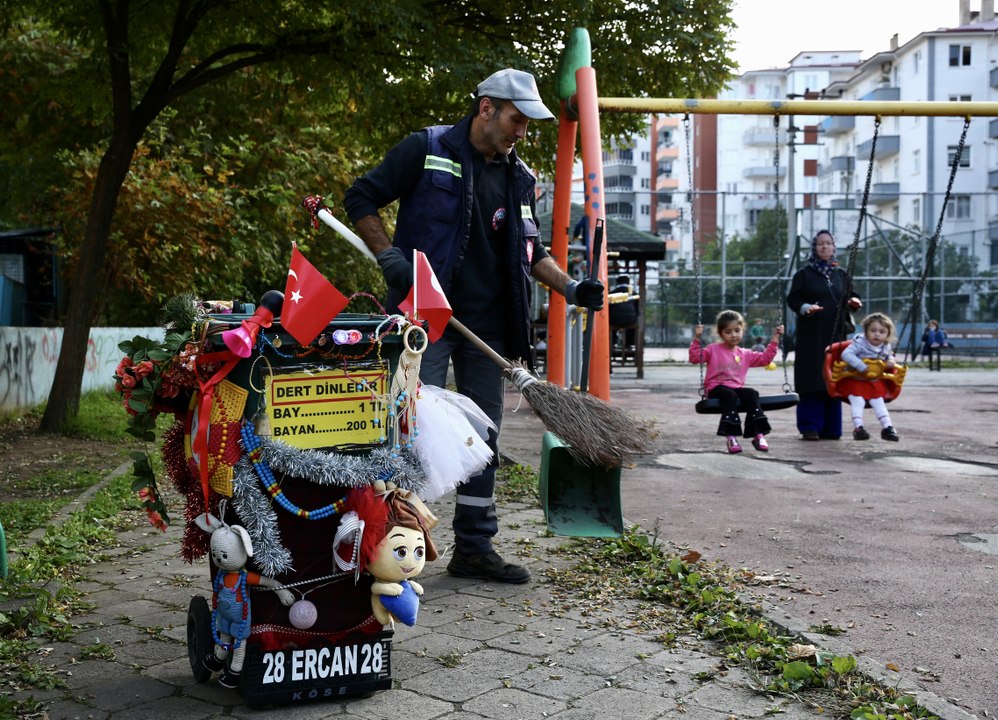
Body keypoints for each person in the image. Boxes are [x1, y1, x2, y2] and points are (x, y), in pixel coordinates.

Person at [344, 68, 604, 584]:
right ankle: (387, 545)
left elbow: (532, 253)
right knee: (409, 430)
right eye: (516, 119)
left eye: (529, 124)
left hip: (491, 328)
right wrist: (389, 256)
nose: (522, 132)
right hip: (427, 318)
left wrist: (571, 288)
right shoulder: (427, 148)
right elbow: (361, 197)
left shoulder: (521, 178)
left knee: (481, 439)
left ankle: (474, 548)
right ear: (486, 107)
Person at [786, 230, 862, 441]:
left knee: (833, 378)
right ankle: (810, 426)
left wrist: (854, 303)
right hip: (811, 336)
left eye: (828, 244)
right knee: (812, 378)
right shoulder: (804, 274)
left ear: (834, 247)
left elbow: (852, 295)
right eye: (820, 244)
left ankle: (831, 427)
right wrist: (806, 307)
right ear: (814, 248)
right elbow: (793, 299)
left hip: (835, 335)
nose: (825, 247)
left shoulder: (841, 274)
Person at [689, 310, 784, 454]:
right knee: (729, 395)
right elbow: (695, 358)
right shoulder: (713, 349)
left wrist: (775, 339)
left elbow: (765, 359)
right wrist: (697, 338)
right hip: (716, 388)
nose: (733, 335)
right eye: (728, 331)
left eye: (737, 330)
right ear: (721, 334)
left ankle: (758, 434)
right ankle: (731, 436)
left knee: (751, 393)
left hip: (735, 388)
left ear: (742, 331)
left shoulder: (745, 353)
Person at [839, 312, 900, 441]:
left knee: (879, 403)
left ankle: (887, 428)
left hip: (873, 382)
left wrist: (891, 361)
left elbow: (889, 356)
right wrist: (861, 366)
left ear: (887, 334)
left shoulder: (885, 346)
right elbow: (846, 354)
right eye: (873, 330)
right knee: (858, 402)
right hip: (856, 380)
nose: (877, 334)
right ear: (866, 331)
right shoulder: (860, 343)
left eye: (882, 332)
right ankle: (858, 428)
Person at [609, 274, 639, 350]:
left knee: (611, 324)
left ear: (617, 282)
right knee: (631, 326)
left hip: (614, 319)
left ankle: (613, 343)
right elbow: (637, 309)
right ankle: (630, 344)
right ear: (628, 282)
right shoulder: (633, 294)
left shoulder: (612, 293)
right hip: (630, 320)